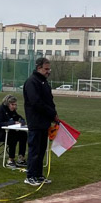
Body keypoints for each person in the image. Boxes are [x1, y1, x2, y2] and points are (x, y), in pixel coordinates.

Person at [23, 57, 58, 186]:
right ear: (39, 68)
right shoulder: (32, 82)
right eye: (46, 69)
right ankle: (30, 176)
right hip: (35, 121)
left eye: (49, 69)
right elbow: (36, 102)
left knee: (42, 150)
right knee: (34, 150)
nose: (48, 71)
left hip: (44, 122)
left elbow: (49, 101)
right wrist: (50, 113)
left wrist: (54, 114)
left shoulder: (44, 82)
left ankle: (38, 175)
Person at [0, 95, 27, 169]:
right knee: (13, 135)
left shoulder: (12, 111)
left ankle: (21, 158)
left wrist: (22, 121)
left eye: (15, 104)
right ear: (7, 104)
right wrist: (12, 123)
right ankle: (10, 160)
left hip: (5, 132)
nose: (14, 106)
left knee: (23, 134)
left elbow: (18, 118)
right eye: (12, 104)